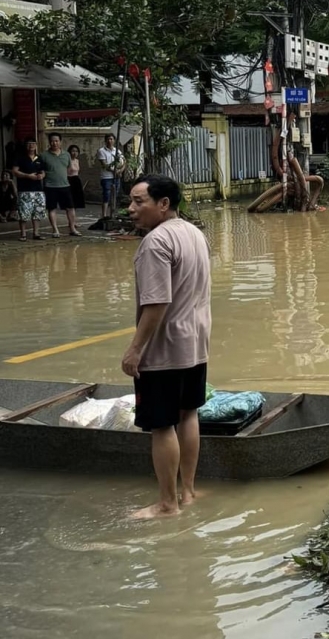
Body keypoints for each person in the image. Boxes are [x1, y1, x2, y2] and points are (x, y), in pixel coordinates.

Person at [122, 174, 212, 519]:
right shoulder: (194, 234)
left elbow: (156, 303)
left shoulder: (155, 243)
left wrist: (135, 349)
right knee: (188, 414)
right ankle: (187, 492)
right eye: (131, 201)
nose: (131, 209)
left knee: (162, 425)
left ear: (163, 204)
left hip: (164, 348)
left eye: (139, 201)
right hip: (196, 342)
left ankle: (166, 504)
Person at [40, 132, 81, 237]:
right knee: (52, 208)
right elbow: (41, 170)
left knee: (70, 208)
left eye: (57, 141)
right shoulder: (43, 156)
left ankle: (72, 228)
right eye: (52, 141)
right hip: (50, 186)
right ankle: (55, 230)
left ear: (60, 142)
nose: (54, 143)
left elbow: (67, 168)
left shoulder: (66, 154)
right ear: (49, 142)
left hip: (65, 185)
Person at [12, 140, 46, 241]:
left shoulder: (39, 158)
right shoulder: (20, 158)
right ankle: (23, 234)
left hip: (38, 190)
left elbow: (43, 172)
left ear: (36, 145)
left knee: (37, 211)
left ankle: (36, 233)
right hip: (24, 189)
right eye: (29, 144)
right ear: (26, 146)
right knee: (24, 212)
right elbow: (15, 171)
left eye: (33, 144)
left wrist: (41, 176)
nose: (31, 146)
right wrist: (27, 176)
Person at [98, 134, 123, 219]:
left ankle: (112, 213)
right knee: (106, 195)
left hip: (116, 177)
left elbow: (124, 162)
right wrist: (114, 171)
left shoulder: (117, 151)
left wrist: (120, 171)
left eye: (111, 139)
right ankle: (104, 215)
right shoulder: (101, 151)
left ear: (114, 140)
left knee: (115, 195)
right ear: (105, 140)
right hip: (106, 177)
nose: (110, 141)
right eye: (108, 139)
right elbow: (104, 164)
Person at [67, 145, 86, 210]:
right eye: (73, 151)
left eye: (76, 151)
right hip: (69, 179)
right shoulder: (67, 161)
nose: (75, 153)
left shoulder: (77, 161)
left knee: (76, 199)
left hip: (76, 180)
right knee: (70, 199)